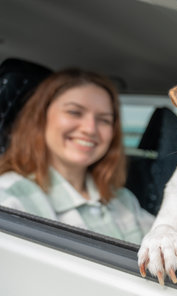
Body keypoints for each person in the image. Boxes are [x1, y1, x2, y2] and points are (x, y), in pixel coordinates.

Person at [0, 68, 154, 244]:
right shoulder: (9, 199)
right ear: (40, 118)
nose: (90, 129)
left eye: (104, 119)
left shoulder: (123, 199)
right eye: (74, 112)